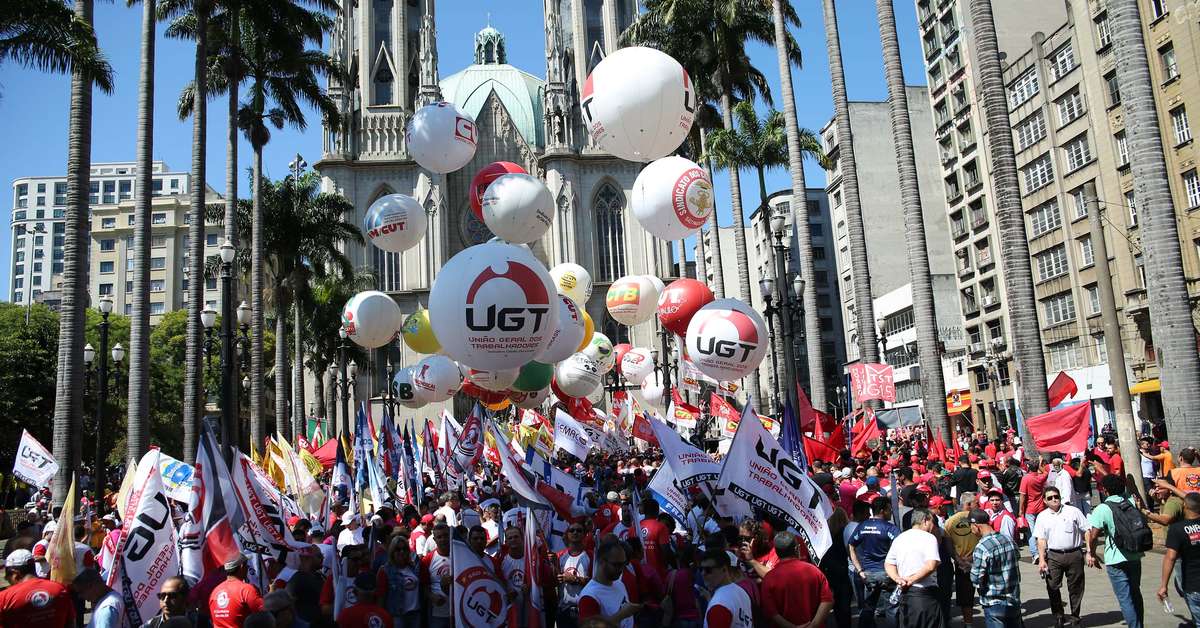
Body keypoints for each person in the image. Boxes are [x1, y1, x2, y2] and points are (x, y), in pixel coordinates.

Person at [1087, 473, 1145, 628]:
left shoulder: (1102, 508)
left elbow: (1093, 536)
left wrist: (1091, 553)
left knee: (1125, 599)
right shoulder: (1131, 501)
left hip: (1115, 558)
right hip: (1135, 554)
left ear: (1105, 491)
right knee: (1135, 594)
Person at [1033, 486, 1090, 627]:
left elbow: (1087, 530)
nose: (1054, 500)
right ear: (1045, 501)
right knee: (1052, 586)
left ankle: (1075, 616)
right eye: (1050, 498)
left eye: (1056, 496)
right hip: (1053, 556)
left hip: (1074, 554)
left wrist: (1089, 551)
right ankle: (1059, 615)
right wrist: (1041, 559)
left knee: (1076, 587)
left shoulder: (1073, 511)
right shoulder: (1042, 516)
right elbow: (1041, 539)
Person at [759, 531, 833, 628]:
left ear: (776, 552)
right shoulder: (815, 571)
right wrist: (814, 625)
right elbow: (828, 600)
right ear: (797, 549)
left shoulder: (768, 579)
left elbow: (771, 611)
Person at [847, 496, 900, 628]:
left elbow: (851, 546)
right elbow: (901, 548)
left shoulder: (863, 526)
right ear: (882, 511)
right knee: (892, 609)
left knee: (868, 608)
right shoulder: (890, 528)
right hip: (888, 574)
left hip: (869, 574)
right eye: (889, 509)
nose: (891, 512)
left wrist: (859, 570)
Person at [883, 509, 941, 628]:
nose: (933, 526)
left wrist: (898, 579)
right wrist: (910, 580)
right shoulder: (929, 538)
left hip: (905, 595)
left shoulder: (899, 538)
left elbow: (888, 564)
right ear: (925, 520)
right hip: (924, 595)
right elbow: (931, 565)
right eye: (932, 522)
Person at [967, 509, 1022, 627]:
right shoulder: (1009, 540)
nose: (971, 530)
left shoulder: (981, 547)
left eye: (970, 526)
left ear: (976, 526)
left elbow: (976, 578)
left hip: (994, 603)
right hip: (1013, 600)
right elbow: (1017, 557)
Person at [0, 549, 76, 626]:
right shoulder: (59, 588)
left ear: (15, 573)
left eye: (7, 577)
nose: (7, 580)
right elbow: (71, 623)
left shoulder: (4, 597)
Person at [579, 536, 640, 628]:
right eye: (616, 565)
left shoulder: (619, 584)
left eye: (623, 564)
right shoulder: (589, 596)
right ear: (602, 562)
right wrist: (622, 614)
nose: (621, 569)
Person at [1159, 492, 1200, 625]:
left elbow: (1170, 557)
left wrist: (1163, 586)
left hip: (1194, 585)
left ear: (1184, 506)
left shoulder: (1177, 529)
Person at [943, 492, 981, 626]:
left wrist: (958, 560)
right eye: (977, 502)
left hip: (961, 565)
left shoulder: (950, 521)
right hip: (979, 561)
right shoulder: (979, 519)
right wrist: (971, 557)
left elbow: (948, 545)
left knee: (966, 598)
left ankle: (968, 624)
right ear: (969, 504)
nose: (979, 504)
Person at [698, 549, 752, 628]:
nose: (703, 574)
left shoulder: (718, 607)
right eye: (701, 569)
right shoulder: (742, 592)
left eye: (708, 570)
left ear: (724, 569)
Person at [209, 554, 265, 628]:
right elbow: (264, 614)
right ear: (242, 566)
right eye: (247, 565)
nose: (247, 568)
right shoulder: (246, 589)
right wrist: (272, 593)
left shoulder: (215, 592)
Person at [377, 535, 420, 627]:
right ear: (392, 552)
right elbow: (381, 597)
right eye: (398, 549)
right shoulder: (385, 570)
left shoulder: (414, 568)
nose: (402, 552)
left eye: (404, 549)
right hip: (397, 616)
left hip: (415, 614)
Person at [557, 522, 593, 628]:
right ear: (567, 534)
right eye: (572, 530)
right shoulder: (559, 556)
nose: (575, 532)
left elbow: (596, 583)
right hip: (564, 610)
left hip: (585, 611)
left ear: (584, 534)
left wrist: (575, 579)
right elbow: (552, 583)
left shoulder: (591, 556)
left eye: (579, 530)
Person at [285, 545, 325, 626]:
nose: (323, 558)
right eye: (319, 556)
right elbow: (288, 602)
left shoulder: (320, 577)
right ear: (307, 558)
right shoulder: (296, 579)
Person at [1019, 457, 1048, 562]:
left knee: (1031, 533)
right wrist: (1039, 463)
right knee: (1042, 531)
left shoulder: (1026, 478)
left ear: (1028, 468)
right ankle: (1045, 550)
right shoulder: (1041, 477)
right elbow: (1045, 471)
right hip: (1041, 508)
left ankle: (1035, 554)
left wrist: (1020, 510)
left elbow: (1022, 496)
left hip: (1030, 509)